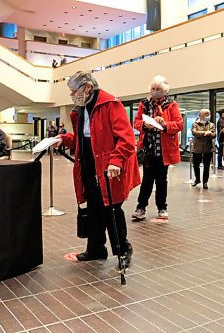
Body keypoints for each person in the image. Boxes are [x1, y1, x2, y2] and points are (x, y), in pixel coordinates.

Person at [56, 71, 140, 267]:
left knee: (111, 209)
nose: (72, 95)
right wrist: (62, 139)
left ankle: (123, 250)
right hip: (88, 164)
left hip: (108, 166)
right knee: (93, 208)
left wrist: (116, 161)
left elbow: (126, 139)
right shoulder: (80, 110)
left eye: (74, 90)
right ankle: (95, 249)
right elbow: (82, 139)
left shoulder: (111, 104)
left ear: (87, 87)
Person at [131, 75, 183, 220]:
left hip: (164, 151)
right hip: (148, 150)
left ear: (165, 90)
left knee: (161, 180)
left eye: (158, 89)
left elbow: (179, 125)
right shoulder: (144, 104)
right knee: (147, 180)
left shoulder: (172, 105)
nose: (155, 92)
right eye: (153, 89)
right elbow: (136, 123)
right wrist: (144, 125)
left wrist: (164, 123)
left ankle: (162, 208)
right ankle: (141, 208)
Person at [191, 109, 216, 189]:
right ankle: (197, 179)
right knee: (196, 165)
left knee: (207, 166)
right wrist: (205, 133)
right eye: (206, 114)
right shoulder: (195, 124)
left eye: (209, 114)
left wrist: (210, 133)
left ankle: (205, 182)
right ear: (201, 115)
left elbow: (214, 134)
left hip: (208, 148)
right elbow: (194, 132)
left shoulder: (211, 124)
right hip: (197, 148)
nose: (208, 116)